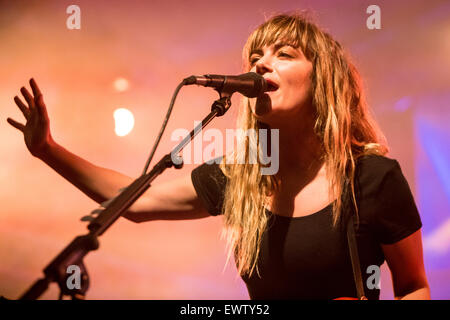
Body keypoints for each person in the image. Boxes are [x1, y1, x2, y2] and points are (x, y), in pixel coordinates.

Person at [7, 13, 430, 300]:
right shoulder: (241, 175)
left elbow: (413, 286)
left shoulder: (371, 178)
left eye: (283, 54)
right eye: (255, 57)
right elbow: (135, 202)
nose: (261, 65)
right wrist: (48, 150)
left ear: (324, 80)